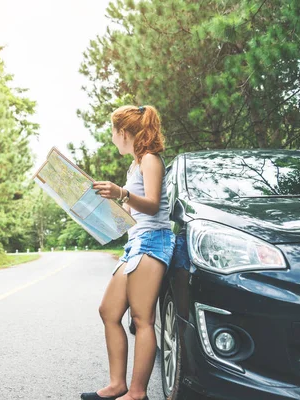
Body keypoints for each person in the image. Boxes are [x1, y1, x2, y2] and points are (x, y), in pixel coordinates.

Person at [81, 105, 176, 400]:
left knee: (142, 319)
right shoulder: (134, 166)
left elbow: (152, 204)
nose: (112, 138)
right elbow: (131, 212)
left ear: (123, 133)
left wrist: (122, 192)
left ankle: (137, 393)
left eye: (112, 132)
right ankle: (117, 385)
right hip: (135, 243)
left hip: (154, 241)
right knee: (108, 310)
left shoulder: (150, 160)